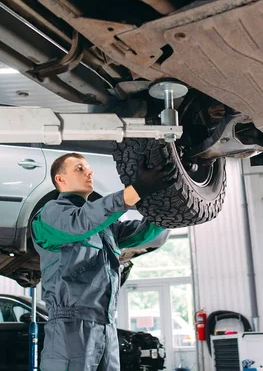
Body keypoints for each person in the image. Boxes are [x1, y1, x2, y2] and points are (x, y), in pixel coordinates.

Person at [32, 152, 175, 370]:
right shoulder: (50, 215)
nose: (89, 172)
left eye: (88, 168)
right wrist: (136, 191)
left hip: (106, 326)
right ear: (60, 180)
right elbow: (83, 222)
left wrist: (169, 206)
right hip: (70, 328)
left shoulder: (103, 226)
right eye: (79, 168)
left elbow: (141, 233)